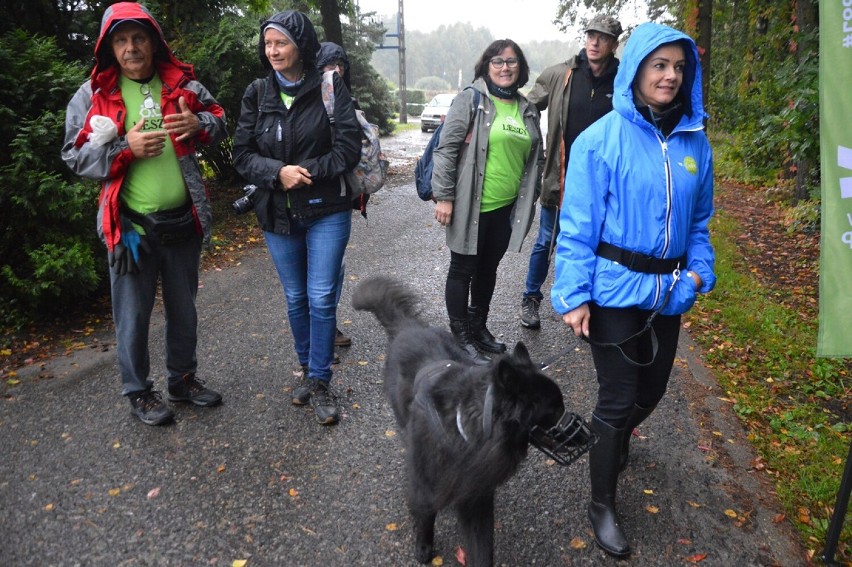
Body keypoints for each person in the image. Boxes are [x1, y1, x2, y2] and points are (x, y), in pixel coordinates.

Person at [551, 22, 715, 557]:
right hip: (613, 288)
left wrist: (695, 274)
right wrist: (574, 295)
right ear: (638, 69)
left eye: (678, 67)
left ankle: (611, 441)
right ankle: (602, 501)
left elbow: (699, 225)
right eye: (659, 65)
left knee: (653, 392)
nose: (670, 76)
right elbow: (576, 226)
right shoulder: (600, 139)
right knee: (619, 398)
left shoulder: (695, 142)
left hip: (669, 290)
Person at [62, 2, 227, 426]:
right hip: (130, 225)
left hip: (183, 220)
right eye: (121, 40)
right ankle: (139, 393)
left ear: (153, 42)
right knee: (133, 316)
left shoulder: (181, 85)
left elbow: (219, 118)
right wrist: (124, 150)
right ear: (108, 47)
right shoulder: (94, 95)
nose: (131, 47)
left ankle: (183, 379)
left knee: (183, 309)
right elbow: (75, 156)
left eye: (138, 38)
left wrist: (201, 126)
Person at [233, 11, 361, 425]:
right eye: (267, 44)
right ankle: (308, 370)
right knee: (295, 297)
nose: (272, 51)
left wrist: (304, 174)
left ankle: (321, 380)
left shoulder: (330, 87)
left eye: (281, 43)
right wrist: (276, 174)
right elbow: (242, 155)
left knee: (321, 296)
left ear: (300, 45)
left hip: (326, 211)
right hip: (277, 213)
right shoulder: (257, 92)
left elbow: (348, 149)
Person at [431, 39, 544, 364]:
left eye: (511, 62)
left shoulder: (526, 107)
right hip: (470, 204)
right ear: (487, 66)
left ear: (520, 68)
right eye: (498, 61)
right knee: (463, 268)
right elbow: (446, 149)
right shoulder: (472, 99)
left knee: (488, 269)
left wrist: (531, 198)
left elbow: (534, 159)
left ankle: (479, 329)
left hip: (506, 208)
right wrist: (445, 196)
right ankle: (461, 339)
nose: (505, 67)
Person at [519, 14, 622, 329]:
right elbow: (527, 107)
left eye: (602, 37)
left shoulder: (624, 79)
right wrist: (531, 141)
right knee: (546, 241)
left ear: (613, 44)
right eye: (591, 34)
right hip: (561, 178)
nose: (594, 41)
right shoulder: (560, 74)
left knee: (599, 243)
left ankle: (587, 303)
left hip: (605, 182)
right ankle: (530, 298)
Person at [316, 41, 356, 350]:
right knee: (317, 280)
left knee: (334, 269)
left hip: (339, 195)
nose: (337, 70)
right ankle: (319, 337)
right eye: (331, 65)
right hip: (314, 193)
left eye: (340, 65)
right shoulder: (313, 99)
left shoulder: (344, 98)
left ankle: (327, 328)